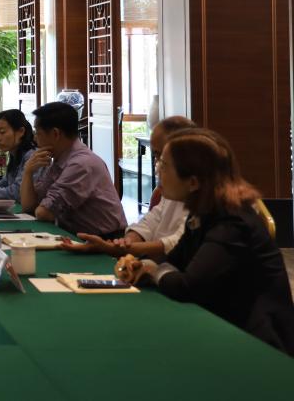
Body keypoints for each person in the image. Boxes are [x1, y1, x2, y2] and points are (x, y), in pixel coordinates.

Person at [115, 129, 294, 355]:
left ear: (192, 182)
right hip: (224, 327)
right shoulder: (203, 211)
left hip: (260, 346)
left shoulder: (232, 222)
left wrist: (153, 271)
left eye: (164, 165)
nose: (157, 169)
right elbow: (174, 262)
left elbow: (187, 286)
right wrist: (146, 267)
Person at [61, 115, 196, 258]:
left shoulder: (202, 200)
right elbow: (150, 221)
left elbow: (177, 244)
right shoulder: (172, 192)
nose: (156, 166)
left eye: (160, 158)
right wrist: (127, 242)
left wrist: (114, 249)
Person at [19, 101, 127, 238]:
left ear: (55, 134)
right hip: (79, 236)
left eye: (38, 133)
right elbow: (29, 206)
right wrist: (28, 171)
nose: (35, 139)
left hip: (106, 241)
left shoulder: (81, 164)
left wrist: (40, 207)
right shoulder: (60, 159)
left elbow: (44, 212)